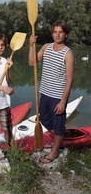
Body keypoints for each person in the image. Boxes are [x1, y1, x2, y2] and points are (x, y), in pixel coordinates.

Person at [29, 21, 74, 163]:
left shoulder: (68, 53)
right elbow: (32, 62)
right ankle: (59, 138)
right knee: (44, 120)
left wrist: (63, 101)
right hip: (45, 93)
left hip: (58, 96)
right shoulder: (46, 47)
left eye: (60, 32)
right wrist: (31, 45)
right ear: (52, 33)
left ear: (65, 34)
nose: (57, 34)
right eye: (55, 32)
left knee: (58, 124)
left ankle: (54, 152)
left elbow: (70, 79)